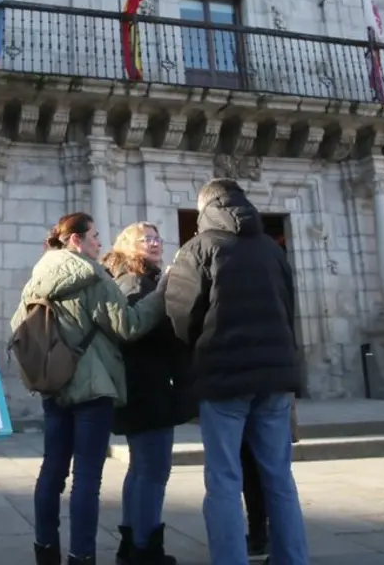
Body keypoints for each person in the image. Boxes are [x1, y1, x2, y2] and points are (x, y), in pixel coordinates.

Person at [162, 178, 307, 565]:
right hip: (275, 381)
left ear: (204, 208)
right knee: (279, 478)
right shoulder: (272, 250)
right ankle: (293, 558)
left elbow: (180, 313)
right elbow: (289, 306)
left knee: (225, 480)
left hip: (223, 380)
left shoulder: (198, 248)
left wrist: (196, 349)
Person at [13, 212, 166, 565]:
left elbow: (20, 326)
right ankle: (81, 556)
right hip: (92, 388)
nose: (100, 242)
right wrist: (160, 294)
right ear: (75, 241)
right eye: (95, 236)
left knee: (52, 471)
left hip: (54, 384)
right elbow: (129, 325)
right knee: (86, 479)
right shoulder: (93, 276)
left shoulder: (36, 278)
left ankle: (45, 549)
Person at [102, 222, 194, 565]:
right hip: (147, 387)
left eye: (157, 237)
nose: (154, 242)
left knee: (141, 469)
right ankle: (146, 548)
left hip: (140, 386)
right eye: (146, 238)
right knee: (154, 471)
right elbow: (138, 330)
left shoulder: (136, 277)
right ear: (129, 244)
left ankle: (131, 544)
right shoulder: (137, 281)